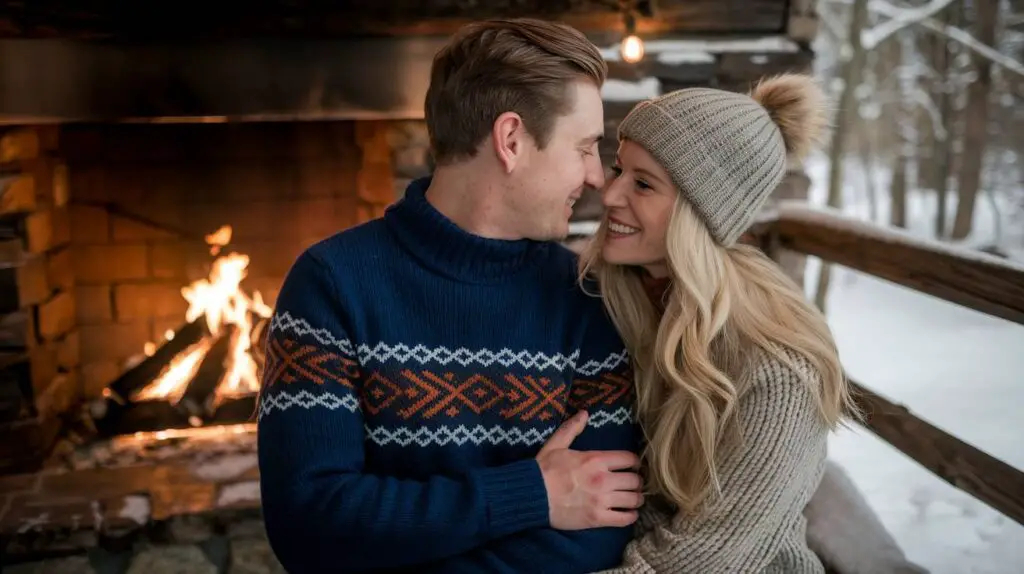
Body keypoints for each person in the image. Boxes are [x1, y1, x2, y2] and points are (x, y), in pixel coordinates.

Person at [255, 18, 643, 574]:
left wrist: (398, 541)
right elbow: (307, 526)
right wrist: (529, 495)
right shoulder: (329, 285)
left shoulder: (587, 299)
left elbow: (601, 531)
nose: (595, 178)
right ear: (511, 140)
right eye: (584, 147)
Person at [576, 74, 861, 573]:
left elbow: (693, 565)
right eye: (619, 168)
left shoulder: (776, 372)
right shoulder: (614, 297)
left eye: (643, 183)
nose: (610, 191)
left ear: (701, 213)